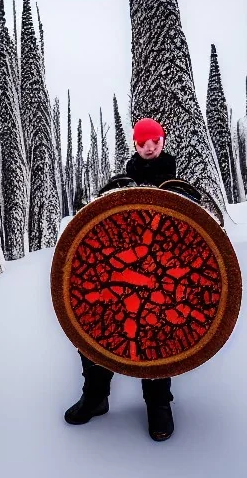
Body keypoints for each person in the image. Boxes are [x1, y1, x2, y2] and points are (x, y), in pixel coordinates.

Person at [64, 117, 177, 441]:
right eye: (144, 141)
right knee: (97, 329)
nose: (150, 145)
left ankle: (158, 405)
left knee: (155, 338)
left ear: (162, 140)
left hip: (162, 281)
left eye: (155, 139)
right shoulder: (120, 182)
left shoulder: (177, 184)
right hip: (121, 276)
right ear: (136, 144)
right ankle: (96, 397)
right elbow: (99, 227)